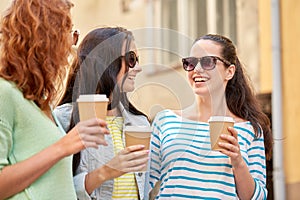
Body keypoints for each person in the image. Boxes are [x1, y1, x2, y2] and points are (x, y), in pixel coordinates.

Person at [0, 0, 110, 199]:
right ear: (44, 38)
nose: (71, 46)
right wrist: (63, 146)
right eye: (68, 32)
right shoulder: (5, 93)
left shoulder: (39, 100)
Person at [148, 34, 273, 199]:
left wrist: (238, 162)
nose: (197, 69)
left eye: (208, 62)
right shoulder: (165, 121)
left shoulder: (249, 129)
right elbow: (143, 182)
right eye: (191, 63)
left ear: (229, 71)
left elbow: (256, 197)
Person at [54, 27, 150, 200]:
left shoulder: (140, 122)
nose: (139, 68)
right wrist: (105, 172)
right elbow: (54, 189)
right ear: (105, 62)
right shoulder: (62, 119)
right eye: (131, 59)